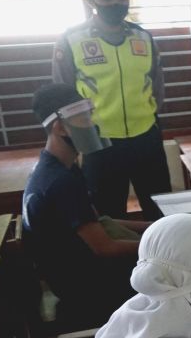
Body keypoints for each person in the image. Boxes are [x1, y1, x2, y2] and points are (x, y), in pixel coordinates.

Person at [53, 0, 170, 220]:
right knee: (108, 215)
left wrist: (151, 123)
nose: (115, 5)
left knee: (161, 213)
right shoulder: (73, 40)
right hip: (99, 141)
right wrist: (81, 144)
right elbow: (64, 95)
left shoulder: (143, 38)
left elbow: (157, 88)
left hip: (146, 138)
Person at [24, 84, 148, 323]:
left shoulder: (59, 167)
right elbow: (105, 247)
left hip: (79, 272)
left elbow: (100, 222)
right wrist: (161, 244)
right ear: (60, 127)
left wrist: (159, 226)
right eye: (83, 118)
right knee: (179, 277)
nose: (91, 124)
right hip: (83, 287)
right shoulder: (59, 182)